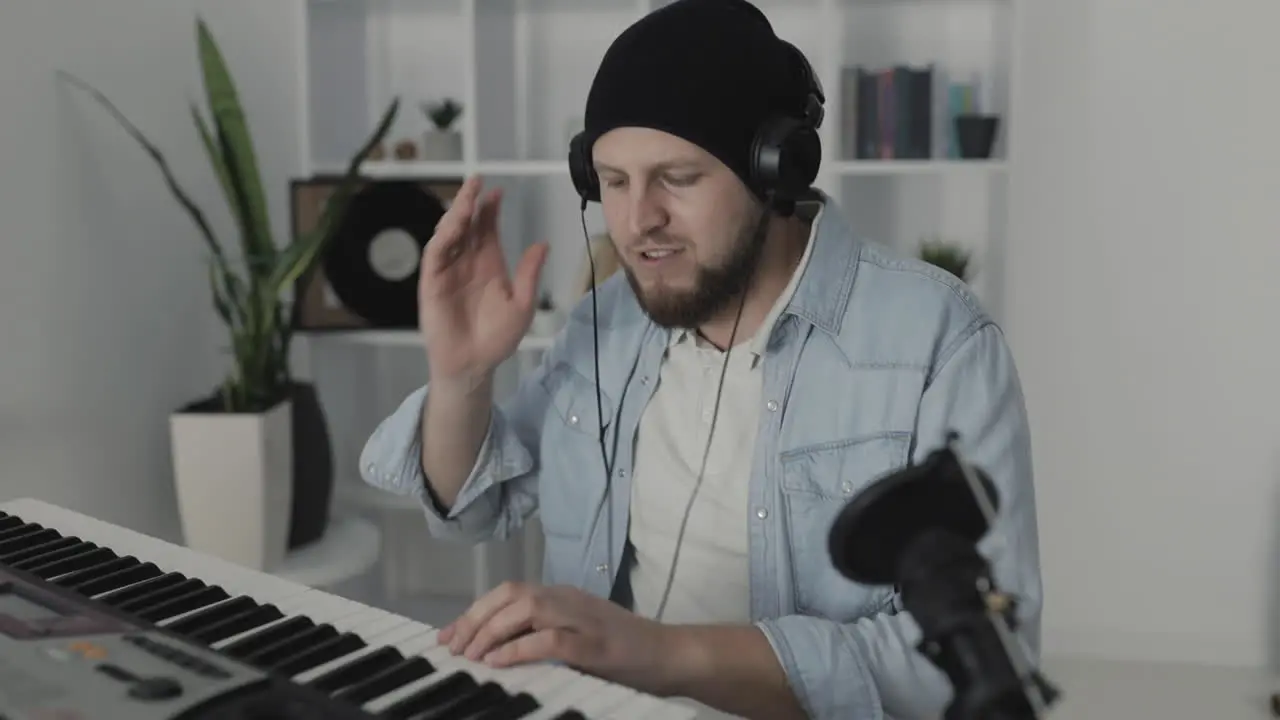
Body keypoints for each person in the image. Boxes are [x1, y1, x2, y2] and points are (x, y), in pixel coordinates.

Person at [359, 0, 1044, 718]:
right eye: (613, 182)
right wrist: (461, 376)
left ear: (776, 168)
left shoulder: (939, 341)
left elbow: (986, 655)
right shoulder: (607, 320)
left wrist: (661, 656)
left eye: (676, 178)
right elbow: (474, 507)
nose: (636, 221)